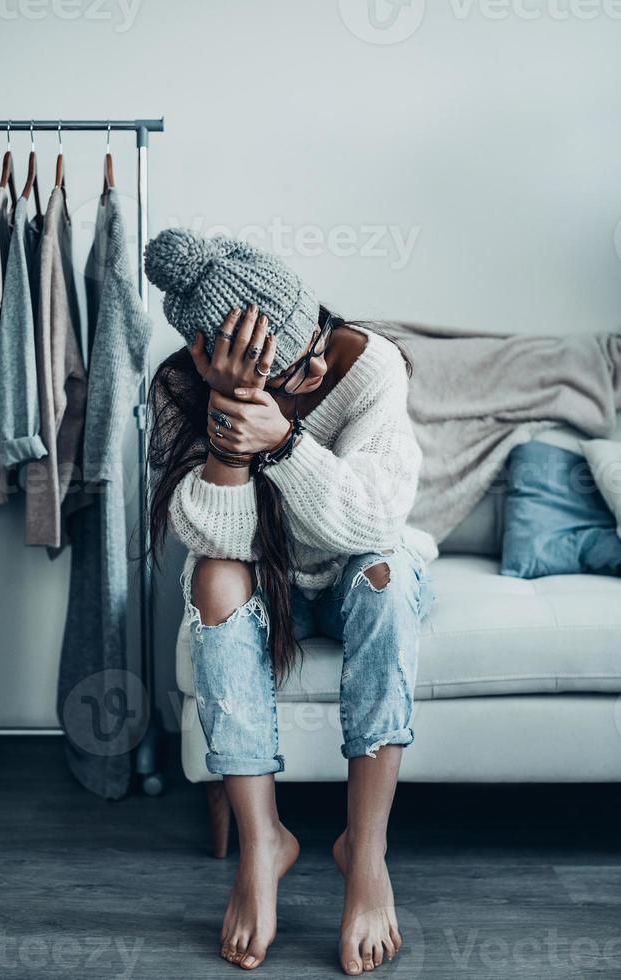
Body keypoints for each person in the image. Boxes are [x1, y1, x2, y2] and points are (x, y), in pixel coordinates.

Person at [144, 229, 437, 975]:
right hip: (267, 584)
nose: (310, 375)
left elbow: (375, 521)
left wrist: (283, 442)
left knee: (387, 575)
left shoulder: (365, 363)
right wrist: (230, 441)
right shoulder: (180, 390)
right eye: (287, 376)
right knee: (212, 577)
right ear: (215, 366)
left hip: (353, 575)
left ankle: (364, 856)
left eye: (310, 353)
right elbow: (215, 538)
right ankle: (263, 842)